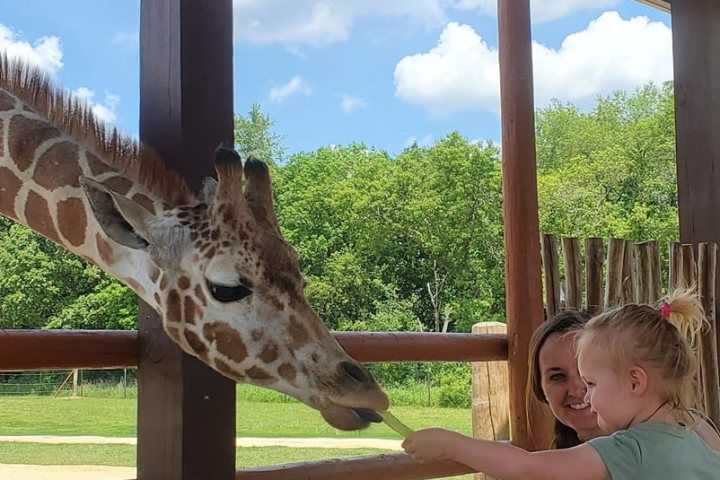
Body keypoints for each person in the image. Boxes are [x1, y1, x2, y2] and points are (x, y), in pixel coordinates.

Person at [402, 289, 720, 479]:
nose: (585, 393)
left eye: (592, 383)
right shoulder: (697, 436)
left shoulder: (629, 449)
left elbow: (528, 468)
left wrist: (451, 444)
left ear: (635, 381)